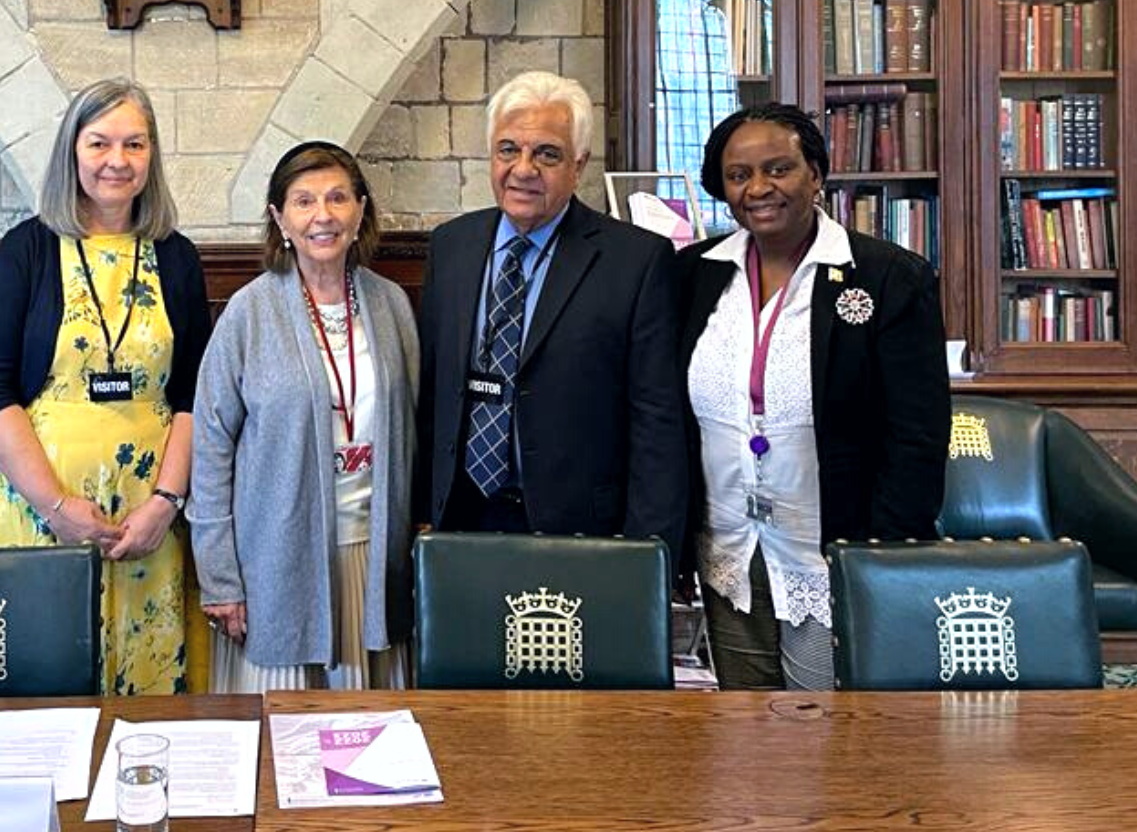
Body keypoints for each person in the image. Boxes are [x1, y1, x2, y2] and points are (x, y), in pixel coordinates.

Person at [677, 103, 949, 690]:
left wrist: (878, 562)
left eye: (779, 169)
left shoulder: (887, 277)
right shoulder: (692, 275)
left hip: (836, 552)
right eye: (739, 175)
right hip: (729, 547)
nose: (759, 189)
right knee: (746, 731)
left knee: (834, 732)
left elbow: (918, 436)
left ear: (817, 174)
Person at [0, 78, 212, 696]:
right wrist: (54, 504)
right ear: (71, 151)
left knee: (147, 691)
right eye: (100, 142)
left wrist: (165, 503)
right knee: (39, 688)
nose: (117, 160)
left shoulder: (175, 255)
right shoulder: (28, 249)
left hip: (145, 518)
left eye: (135, 144)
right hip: (39, 508)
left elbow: (192, 395)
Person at [416, 70, 686, 552]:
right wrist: (422, 511)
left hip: (580, 528)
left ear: (578, 164)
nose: (523, 169)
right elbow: (434, 392)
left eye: (547, 153)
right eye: (508, 149)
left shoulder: (636, 261)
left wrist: (649, 554)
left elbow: (657, 422)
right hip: (462, 518)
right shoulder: (451, 246)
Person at [189, 142, 417, 692]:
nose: (323, 215)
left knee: (366, 743)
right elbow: (211, 448)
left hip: (370, 555)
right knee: (282, 740)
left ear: (360, 211)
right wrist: (220, 578)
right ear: (279, 218)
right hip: (277, 559)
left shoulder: (391, 306)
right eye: (304, 200)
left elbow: (412, 428)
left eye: (338, 198)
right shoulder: (250, 312)